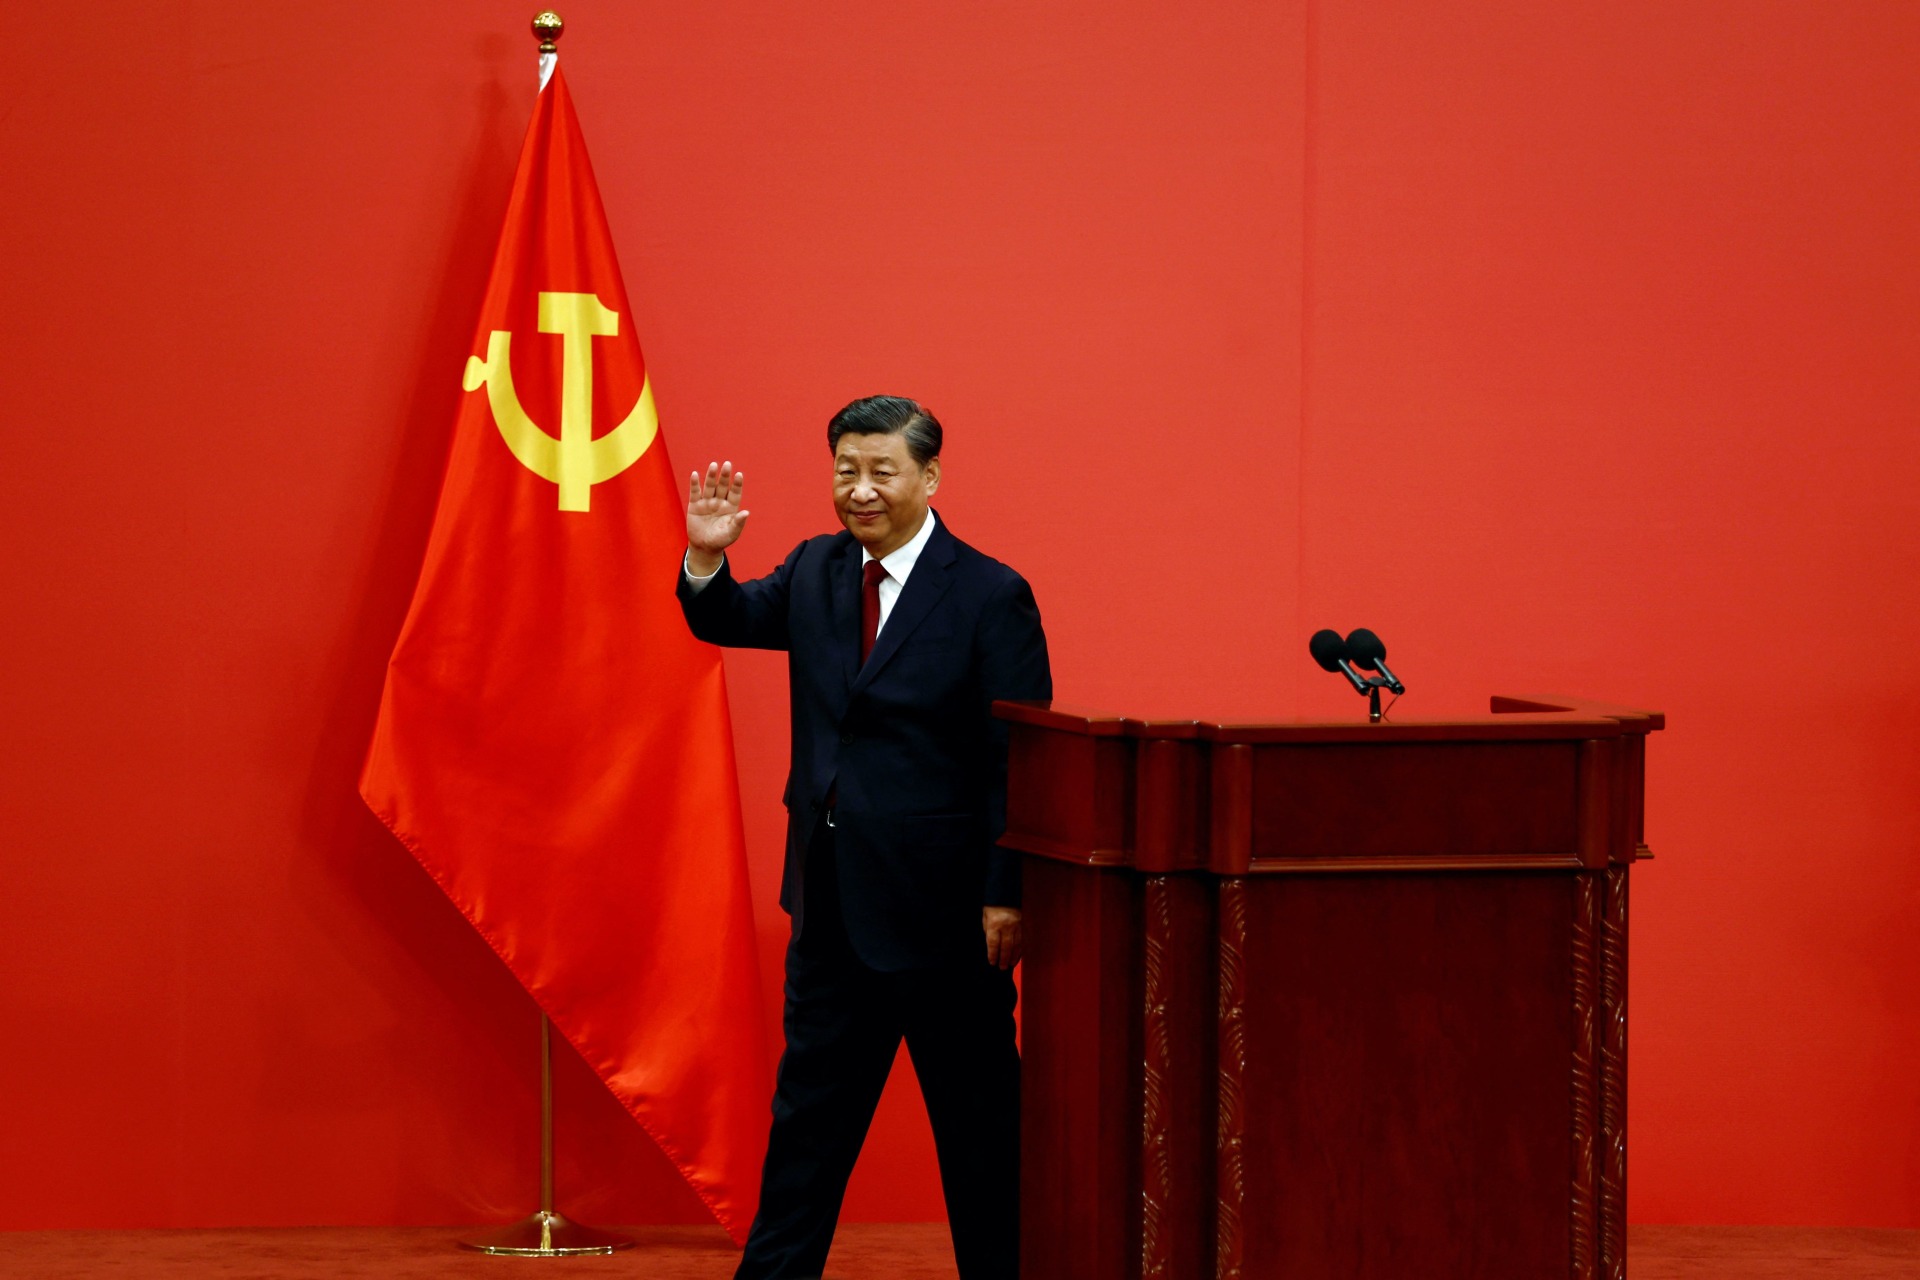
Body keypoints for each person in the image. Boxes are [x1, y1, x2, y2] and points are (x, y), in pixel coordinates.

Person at [676, 394, 1050, 1280]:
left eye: (883, 471)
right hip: (833, 911)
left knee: (982, 1141)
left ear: (930, 475)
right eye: (847, 470)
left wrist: (1008, 891)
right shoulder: (815, 569)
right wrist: (705, 554)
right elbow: (722, 617)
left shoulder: (991, 593)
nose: (862, 490)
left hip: (949, 922)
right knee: (805, 1136)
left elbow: (1020, 758)